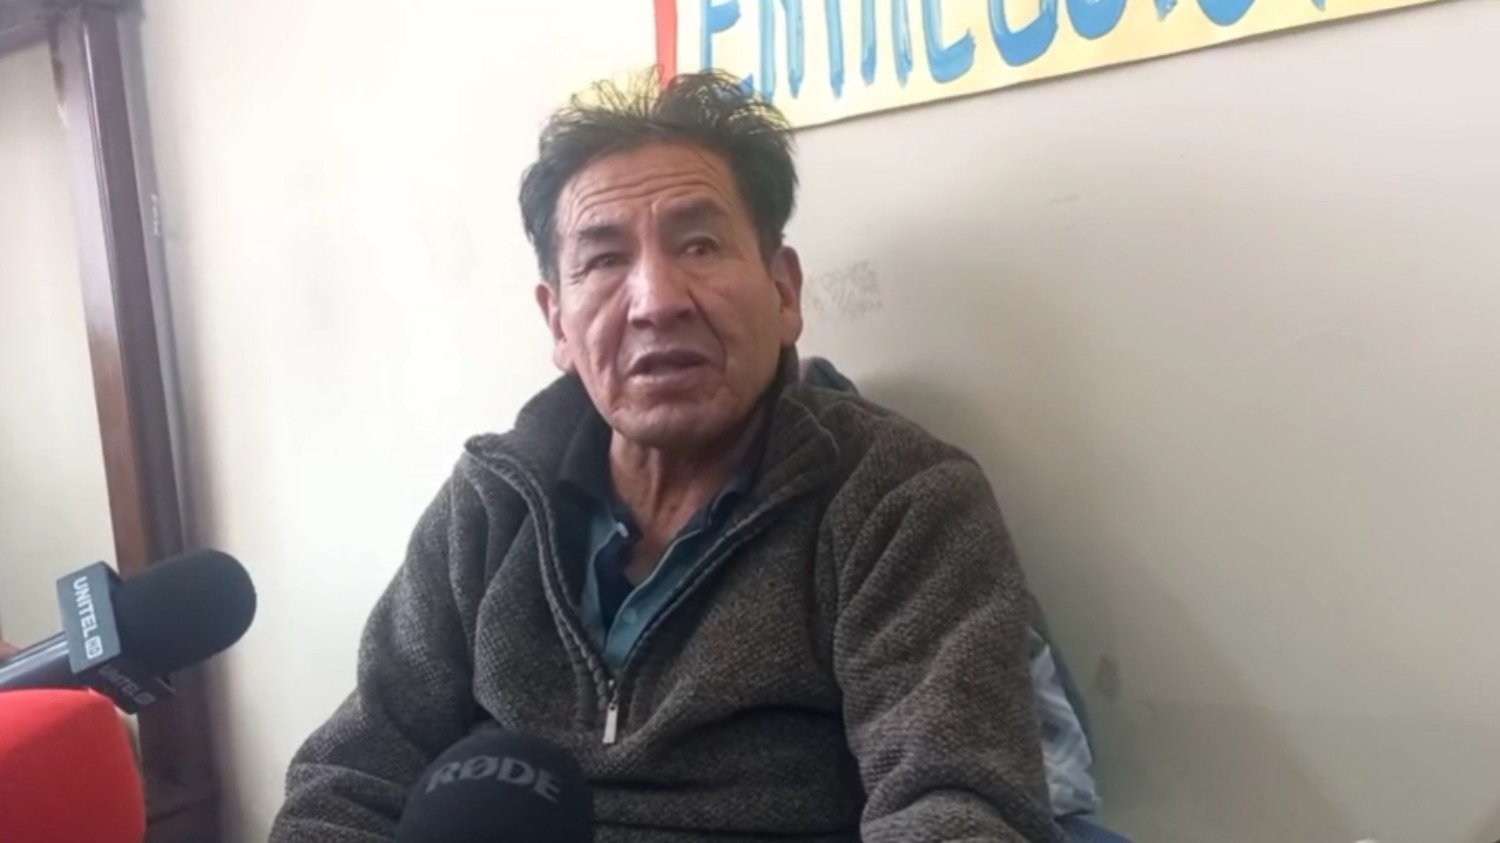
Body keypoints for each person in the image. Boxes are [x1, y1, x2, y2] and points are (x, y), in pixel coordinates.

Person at [270, 70, 1063, 842]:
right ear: (557, 322)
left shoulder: (898, 500)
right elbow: (351, 778)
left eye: (700, 245)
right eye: (604, 260)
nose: (656, 301)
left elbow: (957, 803)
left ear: (785, 292)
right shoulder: (490, 504)